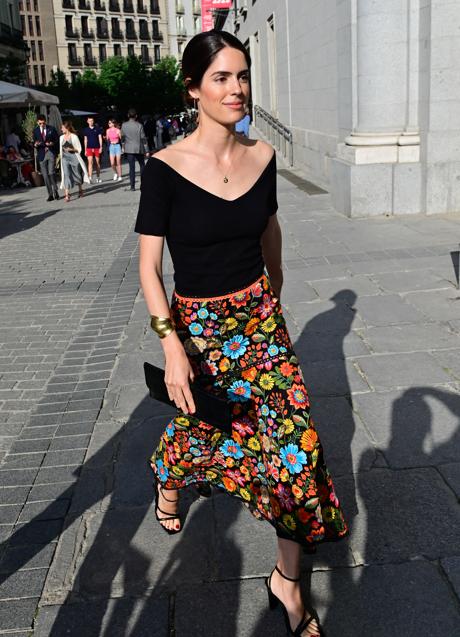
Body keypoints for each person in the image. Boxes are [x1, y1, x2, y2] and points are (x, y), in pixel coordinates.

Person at [135, 30, 347, 637]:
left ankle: (288, 582)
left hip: (259, 320)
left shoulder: (262, 157)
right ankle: (170, 474)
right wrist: (170, 344)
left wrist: (274, 291)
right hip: (197, 325)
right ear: (194, 88)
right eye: (222, 78)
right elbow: (149, 267)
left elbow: (268, 229)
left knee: (296, 449)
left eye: (243, 75)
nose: (236, 89)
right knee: (208, 424)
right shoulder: (165, 169)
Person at [59, 120, 90, 202]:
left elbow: (79, 149)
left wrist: (72, 149)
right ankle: (67, 194)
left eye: (62, 127)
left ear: (67, 128)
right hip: (65, 158)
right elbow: (60, 149)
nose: (61, 129)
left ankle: (80, 189)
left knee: (77, 174)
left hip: (74, 157)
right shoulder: (61, 138)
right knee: (66, 174)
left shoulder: (74, 136)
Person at [121, 108, 149, 191]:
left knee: (131, 168)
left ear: (128, 115)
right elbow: (143, 138)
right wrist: (147, 150)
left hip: (129, 149)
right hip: (139, 148)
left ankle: (132, 186)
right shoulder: (139, 125)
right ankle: (143, 185)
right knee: (142, 165)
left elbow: (122, 138)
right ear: (136, 116)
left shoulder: (124, 125)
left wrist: (123, 146)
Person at [33, 114, 59, 201]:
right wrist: (35, 144)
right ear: (37, 122)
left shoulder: (51, 129)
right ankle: (50, 194)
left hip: (50, 152)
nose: (42, 125)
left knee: (51, 172)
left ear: (45, 121)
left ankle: (55, 191)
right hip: (41, 154)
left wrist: (52, 143)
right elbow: (34, 141)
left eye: (43, 123)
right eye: (40, 123)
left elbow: (57, 139)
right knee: (45, 176)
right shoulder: (35, 130)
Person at [83, 116, 103, 183]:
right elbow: (85, 140)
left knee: (97, 163)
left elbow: (100, 138)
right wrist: (85, 149)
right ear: (87, 121)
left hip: (97, 147)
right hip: (89, 148)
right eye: (90, 121)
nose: (91, 122)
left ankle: (98, 177)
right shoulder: (86, 130)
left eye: (92, 121)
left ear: (93, 121)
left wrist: (101, 147)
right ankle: (90, 177)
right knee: (90, 162)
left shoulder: (97, 129)